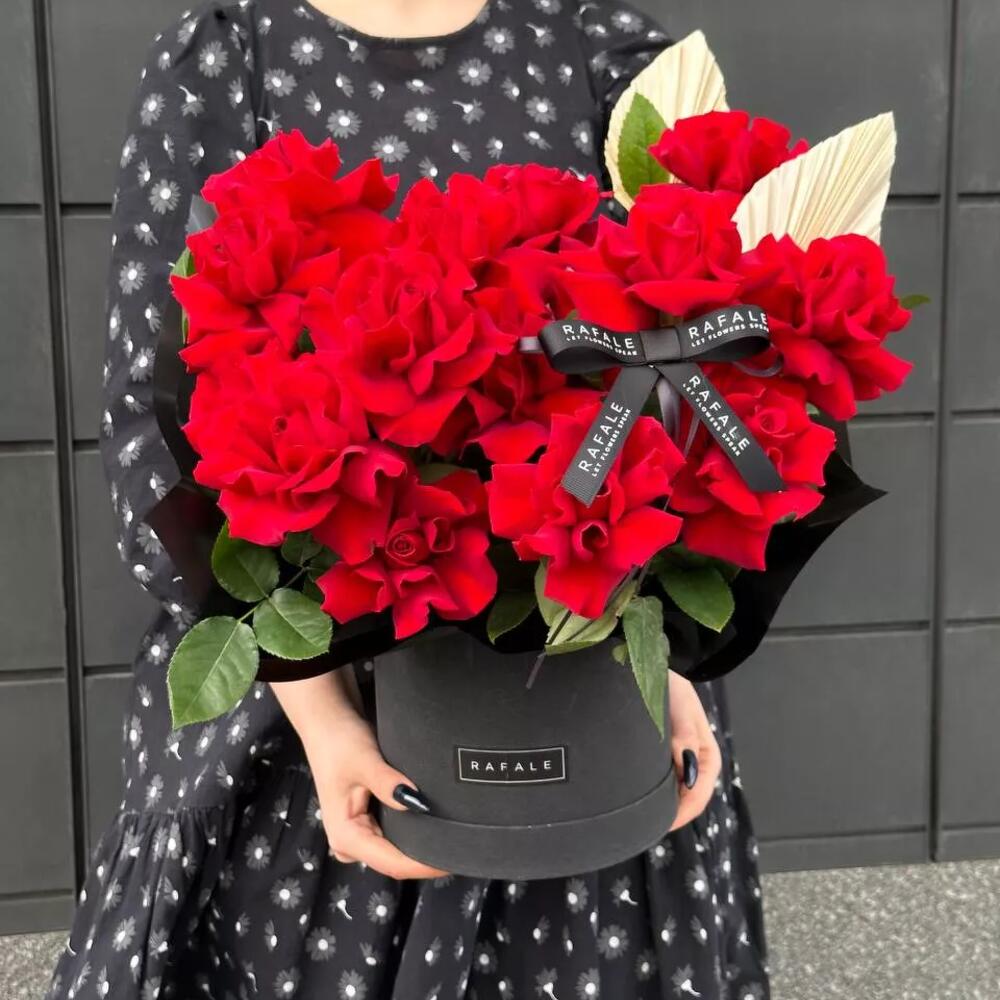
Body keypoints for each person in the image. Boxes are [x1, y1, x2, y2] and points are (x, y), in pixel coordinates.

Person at [45, 1, 771, 997]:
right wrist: (322, 718)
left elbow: (684, 363)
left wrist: (668, 660)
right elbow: (153, 426)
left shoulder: (604, 47)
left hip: (583, 678)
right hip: (308, 704)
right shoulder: (223, 56)